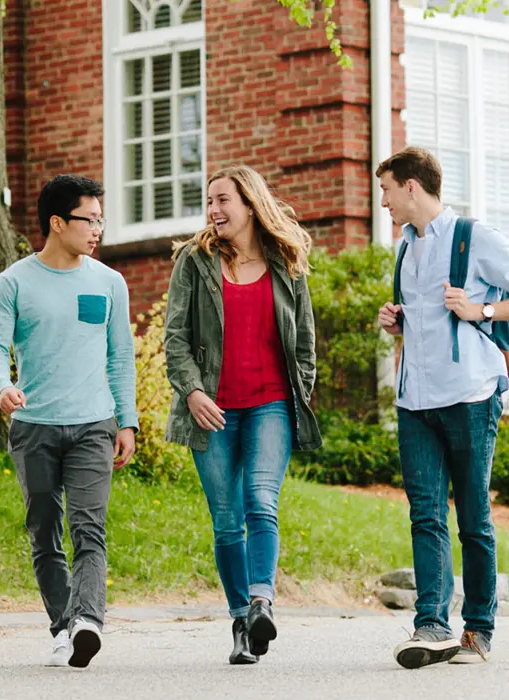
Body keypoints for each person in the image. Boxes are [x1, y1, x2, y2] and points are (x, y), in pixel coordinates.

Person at [375, 147, 509, 668]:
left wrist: (484, 309)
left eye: (387, 189)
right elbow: (420, 323)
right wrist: (397, 321)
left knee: (473, 516)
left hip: (471, 395)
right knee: (424, 514)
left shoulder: (475, 238)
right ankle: (431, 623)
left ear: (412, 186)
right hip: (415, 401)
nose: (383, 201)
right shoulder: (405, 250)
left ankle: (478, 630)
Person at [163, 165, 322, 665]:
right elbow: (175, 337)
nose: (214, 210)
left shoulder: (285, 261)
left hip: (270, 404)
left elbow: (304, 343)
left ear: (250, 204)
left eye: (223, 200)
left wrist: (301, 388)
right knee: (227, 519)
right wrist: (191, 392)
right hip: (212, 409)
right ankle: (240, 621)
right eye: (209, 201)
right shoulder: (195, 261)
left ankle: (260, 603)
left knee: (260, 499)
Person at [0, 174, 138, 669]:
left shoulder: (110, 282)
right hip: (34, 428)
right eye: (88, 220)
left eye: (100, 220)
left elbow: (120, 358)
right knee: (44, 530)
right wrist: (2, 386)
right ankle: (62, 626)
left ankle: (88, 621)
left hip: (94, 424)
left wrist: (126, 421)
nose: (98, 229)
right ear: (56, 222)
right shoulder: (14, 282)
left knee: (89, 528)